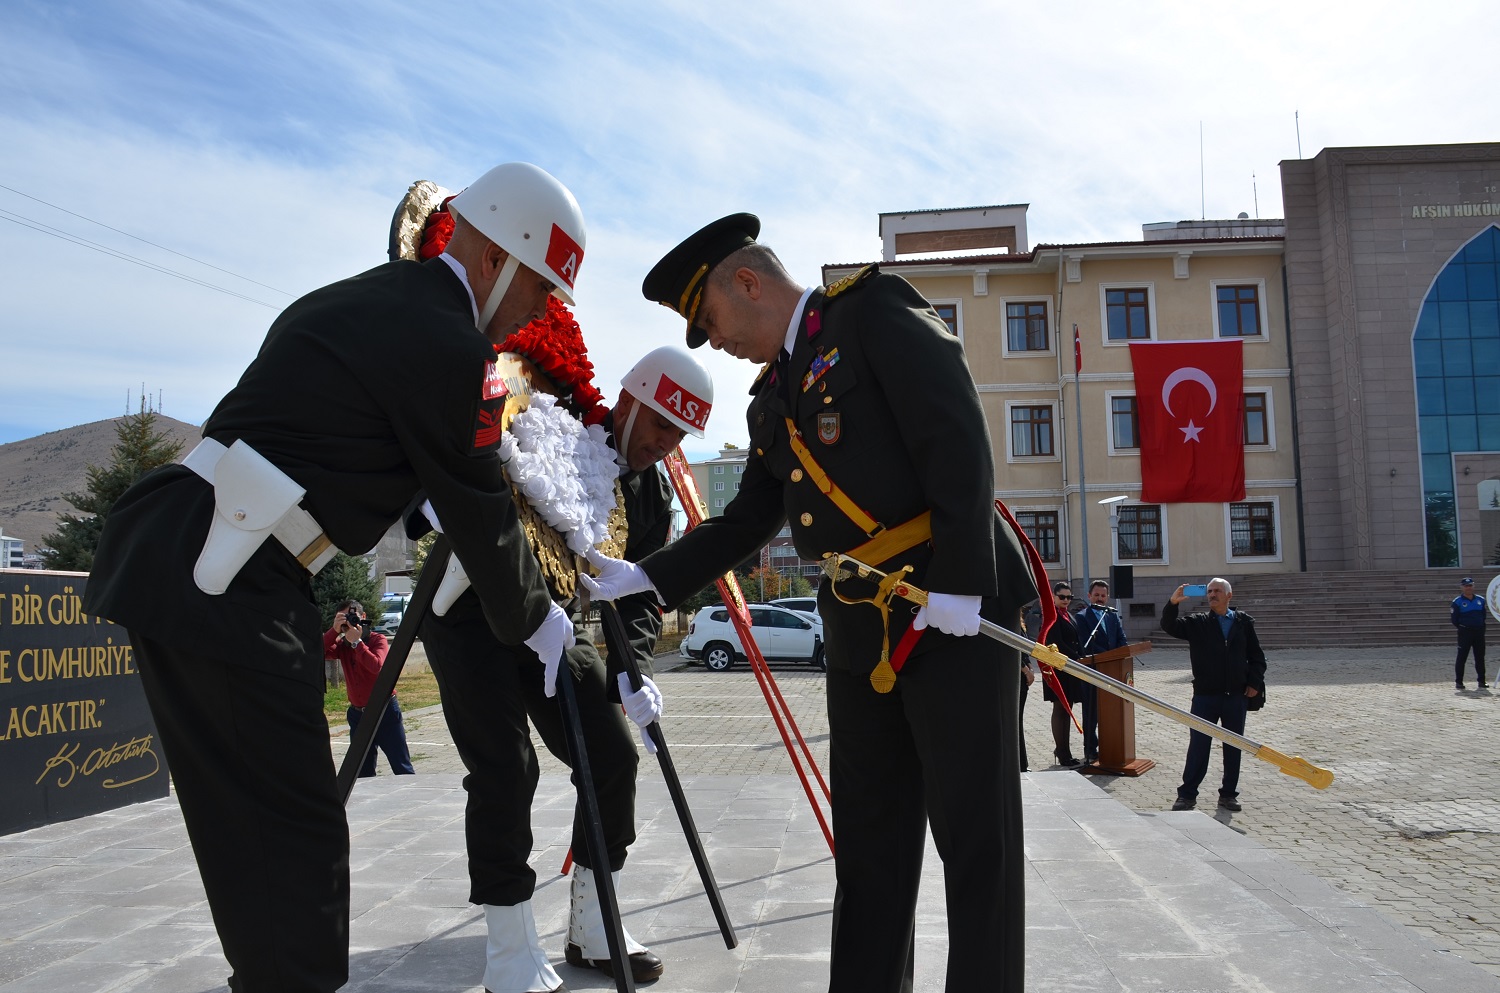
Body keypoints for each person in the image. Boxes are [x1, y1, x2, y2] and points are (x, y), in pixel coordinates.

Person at [82, 162, 589, 993]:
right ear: (497, 258)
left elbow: (378, 463)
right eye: (542, 288)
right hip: (231, 574)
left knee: (262, 844)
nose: (544, 313)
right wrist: (537, 618)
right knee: (293, 854)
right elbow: (477, 505)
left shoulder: (363, 301)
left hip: (198, 554)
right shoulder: (448, 343)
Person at [582, 213, 1038, 993]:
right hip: (862, 632)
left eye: (712, 320)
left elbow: (958, 429)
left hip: (952, 609)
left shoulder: (871, 312)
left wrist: (964, 577)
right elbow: (747, 520)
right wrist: (649, 576)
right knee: (869, 848)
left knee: (977, 845)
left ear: (748, 283)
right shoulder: (771, 401)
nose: (713, 342)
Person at [410, 344, 712, 993]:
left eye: (678, 435)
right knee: (504, 766)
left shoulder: (650, 490)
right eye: (658, 423)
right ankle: (510, 945)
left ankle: (593, 923)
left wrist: (632, 672)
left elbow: (634, 591)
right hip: (471, 611)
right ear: (628, 401)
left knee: (613, 754)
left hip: (555, 625)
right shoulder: (551, 421)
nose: (663, 443)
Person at [1162, 577, 1266, 813]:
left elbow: (1257, 657)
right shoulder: (1197, 623)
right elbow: (1170, 627)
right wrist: (1172, 603)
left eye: (1218, 591)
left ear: (1229, 595)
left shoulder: (1243, 622)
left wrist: (1254, 683)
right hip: (1205, 697)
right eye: (1209, 591)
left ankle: (1228, 795)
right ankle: (1187, 795)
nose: (1212, 595)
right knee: (1199, 746)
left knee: (1233, 746)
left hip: (1235, 697)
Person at [323, 600, 414, 777]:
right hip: (358, 715)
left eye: (353, 617)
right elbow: (316, 651)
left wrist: (357, 643)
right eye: (345, 618)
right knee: (361, 770)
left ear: (363, 617)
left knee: (401, 766)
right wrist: (334, 631)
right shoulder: (343, 645)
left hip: (384, 711)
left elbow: (378, 668)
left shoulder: (377, 639)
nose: (349, 622)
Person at [1076, 579, 1127, 765]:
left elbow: (1121, 639)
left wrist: (1123, 653)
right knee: (1091, 712)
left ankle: (1110, 745)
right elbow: (1083, 645)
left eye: (1103, 596)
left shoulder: (1112, 616)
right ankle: (1090, 749)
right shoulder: (1082, 617)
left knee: (1111, 711)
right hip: (1092, 670)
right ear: (1089, 596)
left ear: (1107, 597)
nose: (1100, 599)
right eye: (1096, 595)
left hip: (1112, 670)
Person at [1042, 582, 1084, 767]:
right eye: (1062, 597)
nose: (1066, 600)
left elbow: (1076, 640)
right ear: (1053, 596)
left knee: (1068, 710)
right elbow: (1055, 642)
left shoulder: (1068, 615)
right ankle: (1062, 753)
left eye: (1069, 597)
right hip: (1058, 668)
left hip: (1070, 668)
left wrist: (1083, 656)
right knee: (1060, 710)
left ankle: (1064, 751)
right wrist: (1077, 658)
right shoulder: (1051, 615)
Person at [1452, 577, 1487, 691]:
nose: (1468, 588)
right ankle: (1459, 682)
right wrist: (1463, 628)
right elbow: (1454, 619)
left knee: (1480, 657)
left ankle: (1481, 681)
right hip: (1465, 632)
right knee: (1462, 657)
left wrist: (1480, 627)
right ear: (1462, 587)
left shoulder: (1481, 600)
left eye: (1470, 585)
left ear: (1473, 586)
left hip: (1478, 632)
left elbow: (1483, 616)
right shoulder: (1457, 602)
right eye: (1466, 586)